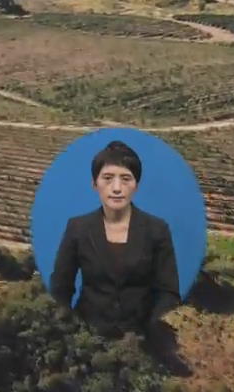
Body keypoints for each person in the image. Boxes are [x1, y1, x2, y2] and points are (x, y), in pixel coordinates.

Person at [50, 140, 181, 338]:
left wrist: (149, 334)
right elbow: (60, 287)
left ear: (136, 185)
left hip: (142, 339)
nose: (117, 188)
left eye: (126, 179)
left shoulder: (157, 229)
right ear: (94, 184)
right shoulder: (78, 228)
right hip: (87, 337)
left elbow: (168, 293)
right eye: (108, 178)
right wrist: (70, 330)